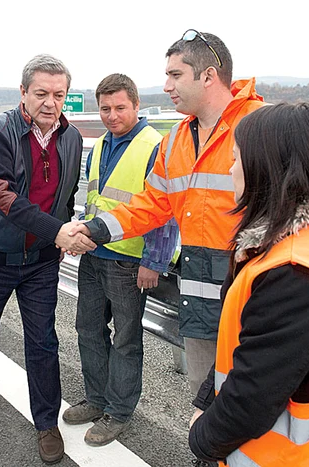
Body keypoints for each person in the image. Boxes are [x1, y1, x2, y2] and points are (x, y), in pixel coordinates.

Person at [70, 30, 265, 394]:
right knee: (205, 390)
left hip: (253, 290)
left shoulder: (260, 126)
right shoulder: (176, 139)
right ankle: (207, 452)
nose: (167, 85)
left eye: (175, 75)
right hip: (199, 289)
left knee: (255, 396)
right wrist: (94, 229)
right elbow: (151, 205)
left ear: (207, 75)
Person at [187, 102, 309, 466]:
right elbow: (249, 353)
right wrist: (207, 400)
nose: (230, 170)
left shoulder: (293, 273)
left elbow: (252, 398)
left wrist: (201, 439)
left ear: (266, 169)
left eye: (235, 159)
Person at [0, 54, 94, 465]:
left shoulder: (70, 138)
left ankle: (46, 422)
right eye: (41, 93)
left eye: (59, 94)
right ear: (23, 93)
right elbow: (2, 195)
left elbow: (65, 195)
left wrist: (63, 232)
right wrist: (58, 231)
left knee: (43, 341)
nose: (50, 103)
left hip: (39, 260)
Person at [62, 73, 178, 446]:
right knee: (88, 331)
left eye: (120, 107)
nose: (112, 115)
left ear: (136, 105)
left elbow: (167, 211)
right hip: (94, 255)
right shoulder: (99, 147)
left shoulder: (154, 146)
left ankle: (119, 411)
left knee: (126, 340)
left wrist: (154, 261)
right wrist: (80, 232)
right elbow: (96, 201)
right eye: (105, 108)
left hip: (130, 262)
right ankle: (96, 399)